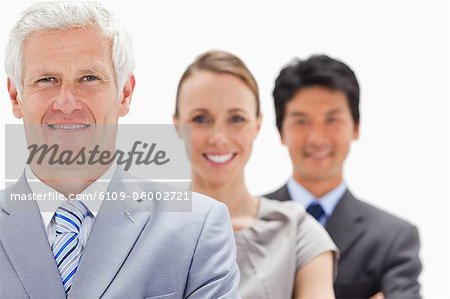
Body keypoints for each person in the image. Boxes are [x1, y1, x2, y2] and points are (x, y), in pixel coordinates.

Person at [0, 2, 239, 298]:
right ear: (15, 96)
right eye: (46, 79)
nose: (67, 103)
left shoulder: (197, 230)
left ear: (124, 93)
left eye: (89, 78)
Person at [174, 50, 338, 299]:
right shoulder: (145, 229)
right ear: (177, 124)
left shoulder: (297, 233)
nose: (218, 138)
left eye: (236, 119)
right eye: (200, 119)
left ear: (257, 125)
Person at [265, 55, 422, 299]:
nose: (316, 138)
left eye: (332, 120)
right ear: (280, 131)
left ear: (356, 127)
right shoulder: (244, 222)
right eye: (301, 121)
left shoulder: (393, 238)